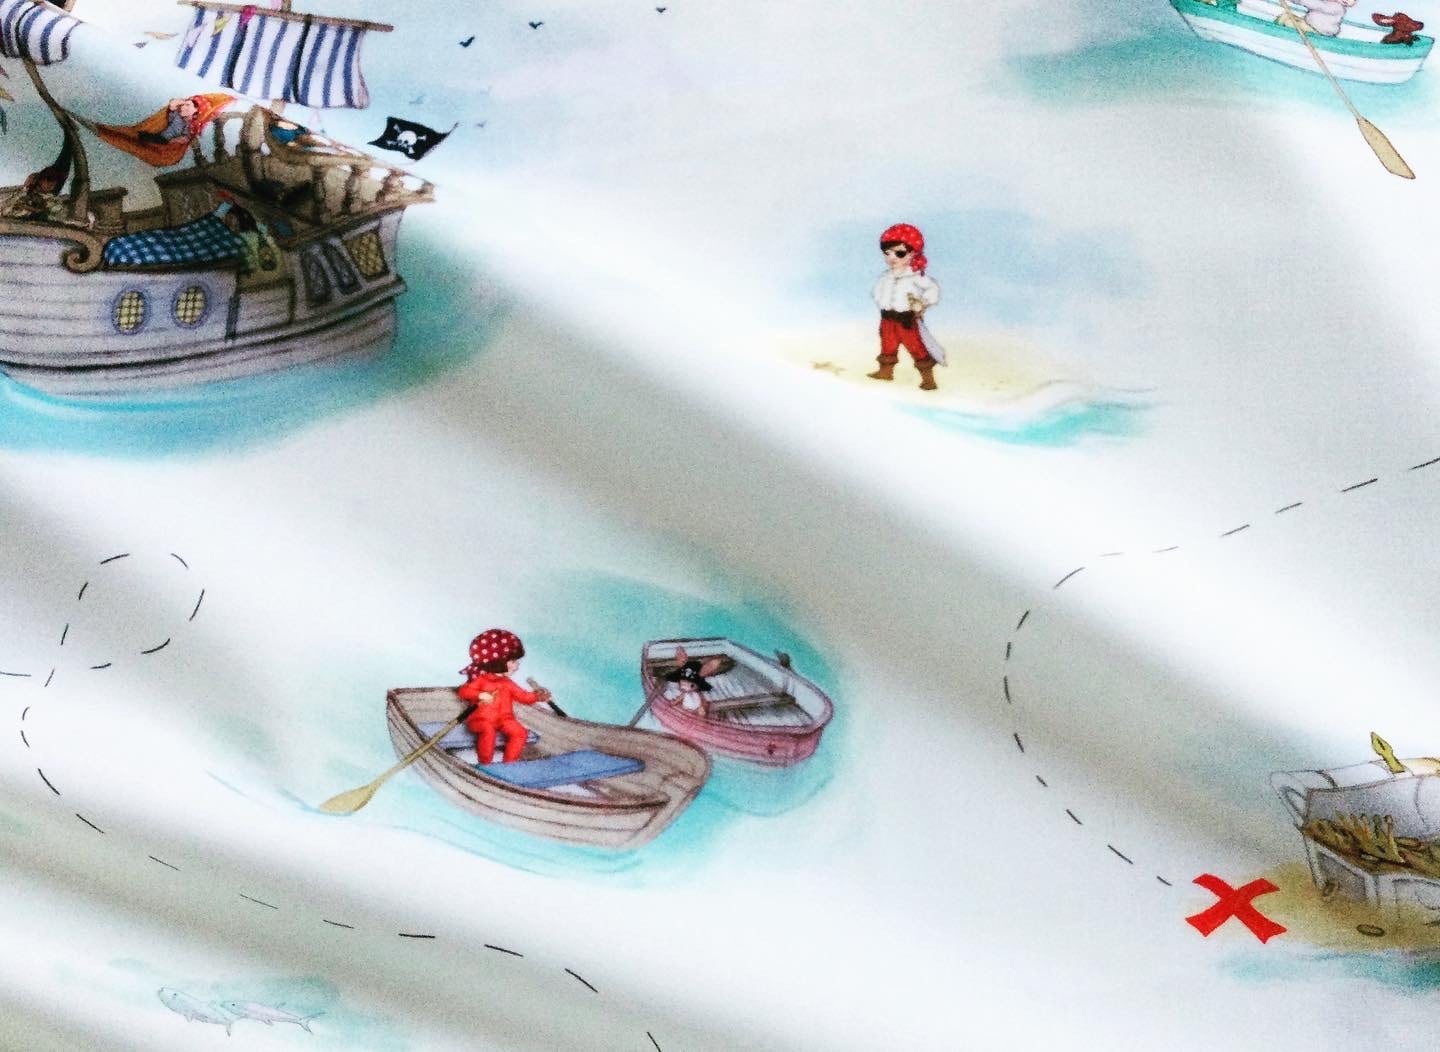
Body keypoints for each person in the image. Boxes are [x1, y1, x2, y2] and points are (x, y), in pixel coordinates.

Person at [456, 629, 551, 765]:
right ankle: (485, 764)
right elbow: (464, 691)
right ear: (498, 662)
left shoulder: (507, 683)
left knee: (520, 732)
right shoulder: (482, 680)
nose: (517, 665)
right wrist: (480, 694)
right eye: (513, 661)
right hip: (481, 720)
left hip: (504, 719)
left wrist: (537, 696)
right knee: (488, 731)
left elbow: (524, 697)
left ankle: (509, 764)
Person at [868, 223, 945, 391]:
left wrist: (922, 303)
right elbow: (876, 292)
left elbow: (932, 289)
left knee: (916, 347)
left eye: (899, 253)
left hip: (906, 320)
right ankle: (885, 372)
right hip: (887, 318)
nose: (892, 257)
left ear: (913, 253)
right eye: (887, 253)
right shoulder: (886, 276)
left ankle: (928, 379)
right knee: (887, 345)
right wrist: (882, 301)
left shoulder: (915, 276)